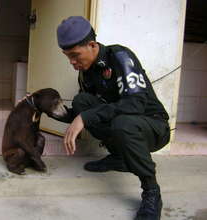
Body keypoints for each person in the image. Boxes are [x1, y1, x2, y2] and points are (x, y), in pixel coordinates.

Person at [53, 16, 170, 220]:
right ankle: (119, 158)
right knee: (82, 102)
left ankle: (152, 192)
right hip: (123, 126)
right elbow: (82, 115)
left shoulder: (120, 56)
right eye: (67, 57)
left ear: (91, 45)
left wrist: (86, 117)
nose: (72, 62)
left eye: (75, 55)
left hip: (153, 126)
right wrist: (46, 107)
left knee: (121, 123)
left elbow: (136, 104)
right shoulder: (85, 74)